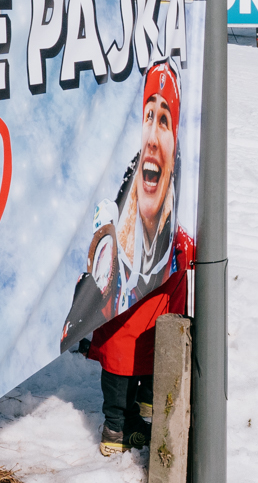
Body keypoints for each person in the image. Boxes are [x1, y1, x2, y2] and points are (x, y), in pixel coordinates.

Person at [77, 63, 194, 454]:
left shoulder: (175, 220)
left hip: (148, 337)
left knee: (138, 368)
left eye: (164, 120)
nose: (154, 133)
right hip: (127, 334)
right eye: (148, 116)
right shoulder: (119, 213)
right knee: (122, 368)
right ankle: (116, 426)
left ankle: (133, 415)